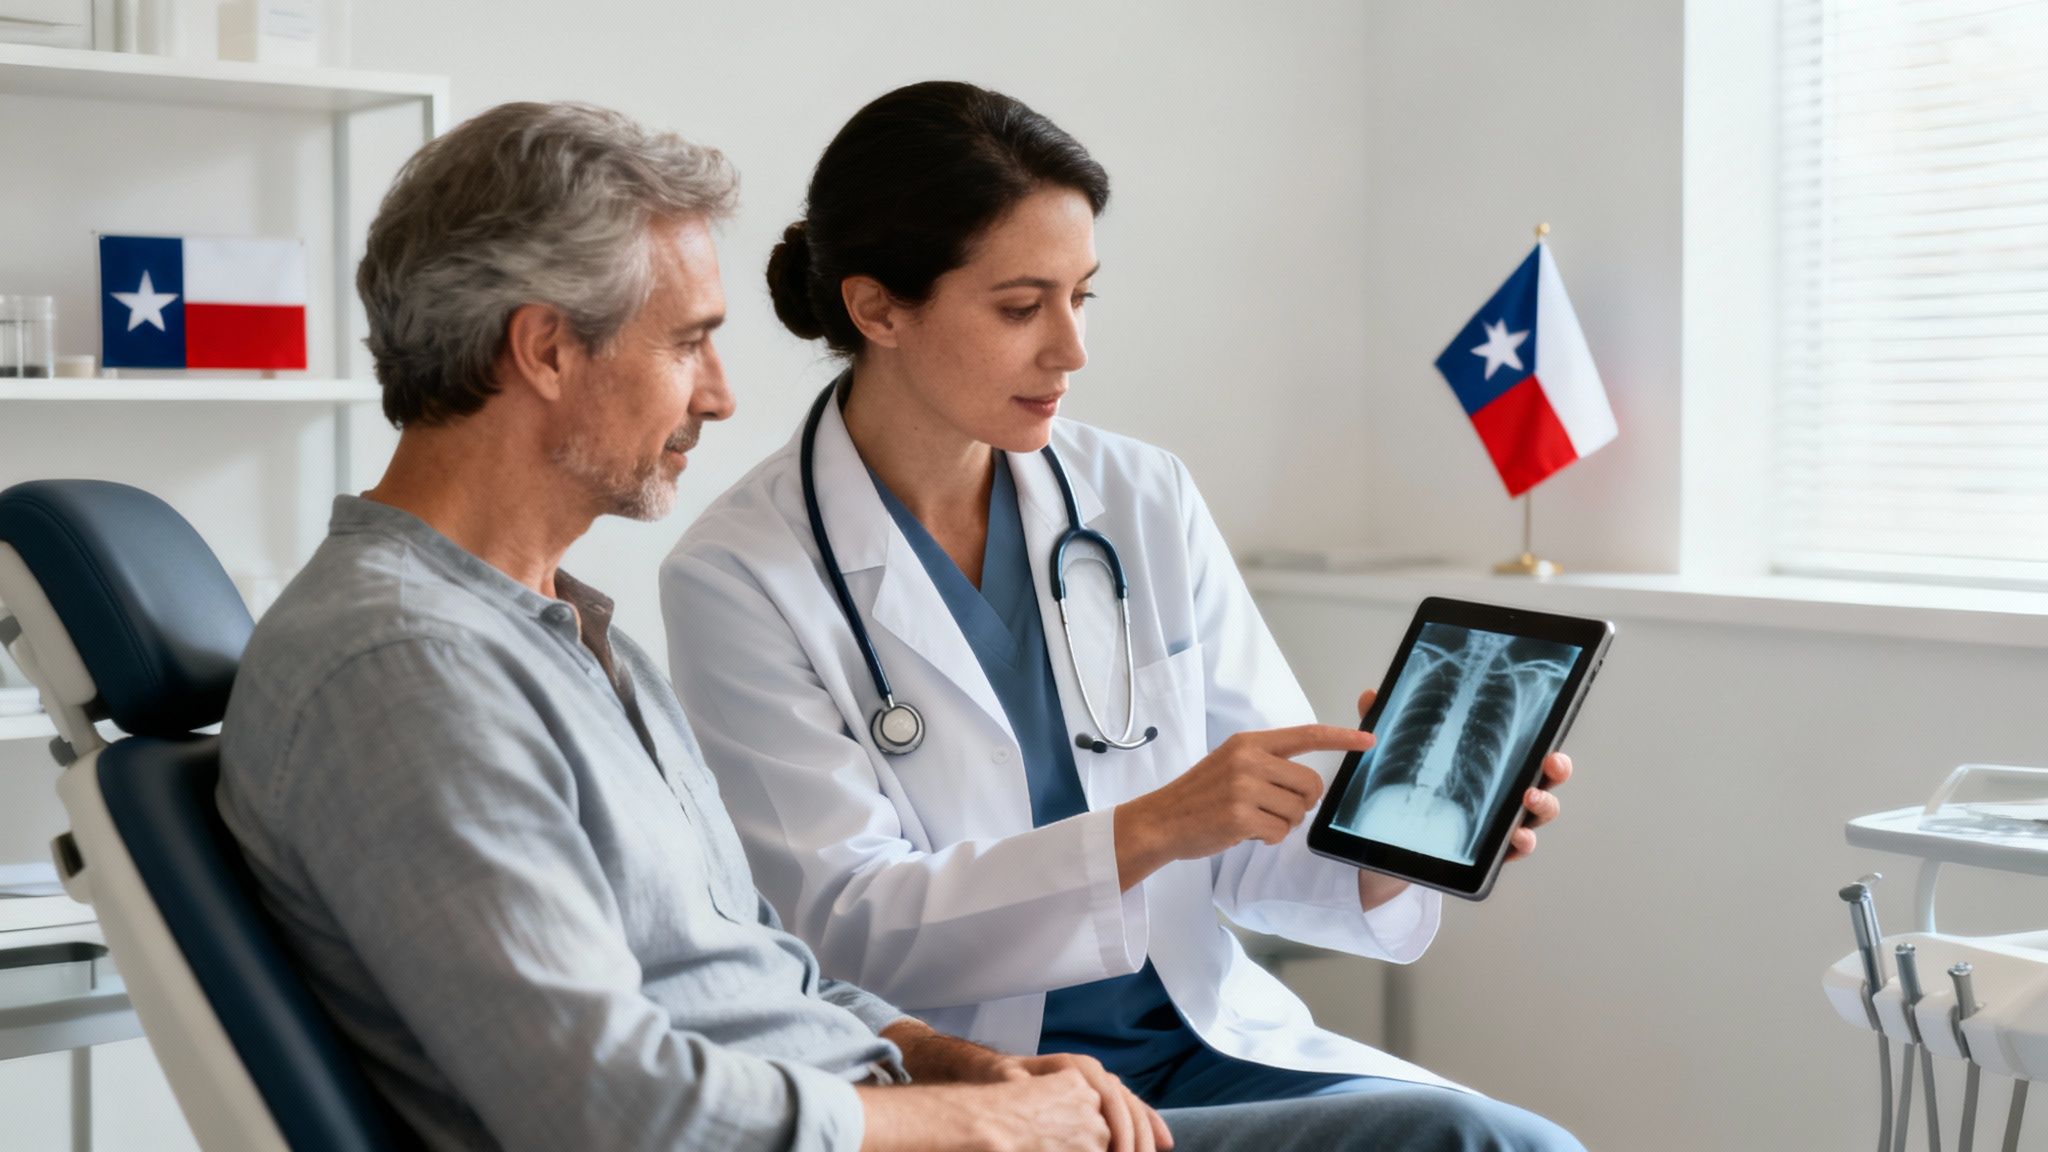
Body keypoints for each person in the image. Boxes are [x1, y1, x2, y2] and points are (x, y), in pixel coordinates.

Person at [661, 81, 1584, 1150]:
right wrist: (1154, 826)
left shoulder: (1139, 498)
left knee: (1498, 1136)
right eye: (1020, 308)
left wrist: (1397, 841)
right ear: (877, 310)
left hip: (1204, 1046)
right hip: (985, 1089)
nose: (1070, 351)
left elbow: (1252, 844)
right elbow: (846, 928)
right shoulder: (740, 574)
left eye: (1080, 298)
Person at [217, 99, 1155, 1152]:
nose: (718, 397)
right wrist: (978, 1127)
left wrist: (967, 1070)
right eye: (689, 345)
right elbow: (614, 1110)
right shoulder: (404, 670)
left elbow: (761, 970)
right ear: (545, 350)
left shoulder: (555, 634)